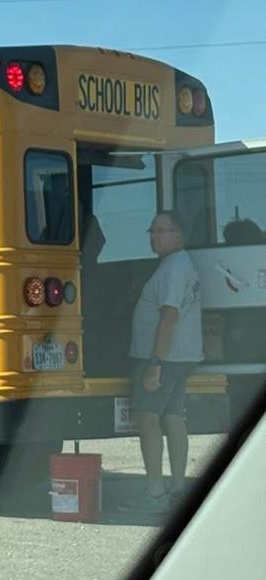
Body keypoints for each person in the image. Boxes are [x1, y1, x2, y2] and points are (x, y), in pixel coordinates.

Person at [120, 210, 203, 514]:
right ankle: (179, 489)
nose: (155, 237)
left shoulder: (173, 269)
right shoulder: (179, 266)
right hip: (183, 356)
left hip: (163, 358)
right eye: (152, 231)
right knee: (173, 418)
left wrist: (155, 362)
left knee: (148, 419)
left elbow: (168, 317)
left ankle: (155, 492)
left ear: (178, 235)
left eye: (162, 231)